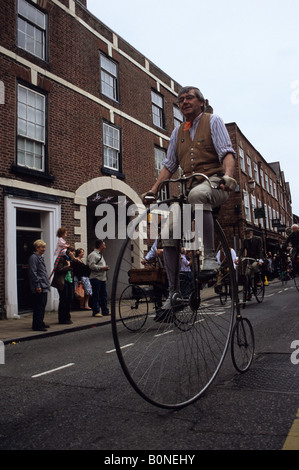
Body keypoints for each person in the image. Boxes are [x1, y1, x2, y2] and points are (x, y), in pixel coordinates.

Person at [144, 86, 237, 309]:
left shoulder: (213, 121)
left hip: (215, 183)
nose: (184, 101)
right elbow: (169, 165)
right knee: (168, 232)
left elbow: (227, 153)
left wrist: (228, 176)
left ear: (201, 103)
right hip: (188, 190)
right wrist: (154, 189)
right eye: (181, 99)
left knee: (198, 194)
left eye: (189, 98)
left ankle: (210, 257)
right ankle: (174, 293)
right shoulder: (177, 133)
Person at [28, 239, 51, 331]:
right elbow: (33, 272)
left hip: (44, 285)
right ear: (37, 248)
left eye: (44, 247)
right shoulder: (34, 258)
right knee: (38, 306)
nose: (44, 249)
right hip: (40, 286)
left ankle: (40, 322)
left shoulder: (40, 257)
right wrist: (37, 285)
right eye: (42, 247)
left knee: (42, 305)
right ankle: (37, 325)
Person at [51, 245, 75, 324]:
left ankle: (67, 317)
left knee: (70, 300)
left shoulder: (71, 259)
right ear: (68, 252)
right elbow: (59, 269)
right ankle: (62, 319)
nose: (73, 253)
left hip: (70, 281)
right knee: (64, 300)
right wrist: (68, 266)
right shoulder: (61, 258)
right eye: (72, 251)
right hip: (63, 282)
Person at [87, 239, 110, 317]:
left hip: (102, 278)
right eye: (104, 245)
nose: (105, 247)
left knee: (104, 295)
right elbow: (91, 266)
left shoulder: (100, 254)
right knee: (96, 296)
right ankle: (96, 311)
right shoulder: (93, 255)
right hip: (95, 278)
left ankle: (105, 311)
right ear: (100, 246)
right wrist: (102, 268)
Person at [240, 228, 263, 292]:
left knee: (254, 266)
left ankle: (258, 280)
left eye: (248, 234)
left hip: (257, 258)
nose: (247, 235)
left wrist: (260, 260)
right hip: (249, 259)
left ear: (252, 233)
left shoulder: (258, 239)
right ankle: (248, 292)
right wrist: (238, 258)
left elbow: (260, 250)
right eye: (246, 234)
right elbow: (241, 250)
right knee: (247, 274)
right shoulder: (245, 241)